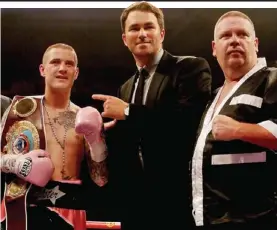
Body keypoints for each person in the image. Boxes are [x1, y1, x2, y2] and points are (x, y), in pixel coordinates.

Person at [92, 2, 212, 229]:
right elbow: (132, 140)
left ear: (162, 33)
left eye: (149, 27)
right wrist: (101, 133)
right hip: (136, 201)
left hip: (178, 197)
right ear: (125, 39)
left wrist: (128, 111)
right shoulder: (126, 87)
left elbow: (188, 124)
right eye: (134, 28)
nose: (142, 34)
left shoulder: (190, 68)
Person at [0, 43, 108, 230]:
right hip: (21, 209)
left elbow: (101, 179)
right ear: (42, 69)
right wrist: (17, 164)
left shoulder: (85, 118)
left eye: (69, 64)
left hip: (68, 211)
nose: (62, 69)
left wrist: (96, 143)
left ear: (76, 72)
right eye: (55, 62)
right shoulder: (20, 110)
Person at [191, 11, 277, 230]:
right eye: (226, 36)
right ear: (214, 48)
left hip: (258, 219)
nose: (234, 40)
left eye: (242, 34)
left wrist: (239, 130)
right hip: (209, 218)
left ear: (255, 43)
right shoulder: (214, 96)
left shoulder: (272, 79)